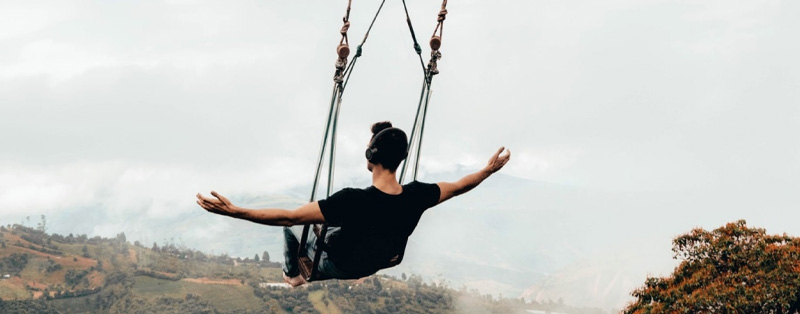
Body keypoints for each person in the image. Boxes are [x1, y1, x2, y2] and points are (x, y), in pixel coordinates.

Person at [197, 121, 510, 287]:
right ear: (401, 159)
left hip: (339, 264)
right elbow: (458, 187)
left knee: (293, 235)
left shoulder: (353, 201)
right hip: (379, 259)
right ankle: (322, 242)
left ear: (371, 157)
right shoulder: (417, 194)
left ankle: (293, 278)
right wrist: (487, 170)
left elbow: (287, 217)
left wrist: (235, 211)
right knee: (327, 224)